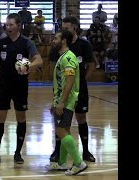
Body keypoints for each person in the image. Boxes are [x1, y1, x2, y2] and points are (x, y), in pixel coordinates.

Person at [0, 13, 43, 165]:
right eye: (6, 25)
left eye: (11, 25)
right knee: (0, 117)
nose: (8, 27)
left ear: (18, 25)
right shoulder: (1, 42)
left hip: (20, 85)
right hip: (3, 84)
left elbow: (39, 60)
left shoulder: (26, 42)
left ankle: (17, 153)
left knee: (21, 118)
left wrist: (28, 65)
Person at [49, 16, 96, 163]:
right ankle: (59, 154)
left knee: (80, 118)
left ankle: (84, 153)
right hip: (63, 90)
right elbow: (52, 66)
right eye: (63, 27)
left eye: (67, 27)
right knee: (62, 123)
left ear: (74, 27)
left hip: (77, 90)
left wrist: (81, 81)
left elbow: (91, 64)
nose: (64, 30)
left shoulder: (82, 45)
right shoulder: (58, 48)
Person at [45, 29, 87, 176]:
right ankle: (61, 163)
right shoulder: (62, 57)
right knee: (65, 130)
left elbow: (69, 82)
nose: (53, 41)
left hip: (67, 101)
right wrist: (55, 101)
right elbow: (60, 83)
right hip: (62, 100)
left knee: (60, 130)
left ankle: (78, 163)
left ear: (63, 41)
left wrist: (62, 102)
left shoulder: (68, 58)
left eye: (55, 38)